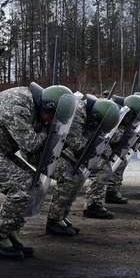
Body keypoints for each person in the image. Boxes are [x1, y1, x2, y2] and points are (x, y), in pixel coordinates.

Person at [0, 82, 74, 261]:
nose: (51, 121)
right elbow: (29, 144)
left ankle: (10, 234)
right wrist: (48, 131)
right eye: (52, 117)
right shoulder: (17, 103)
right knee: (22, 185)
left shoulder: (36, 105)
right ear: (47, 106)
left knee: (34, 184)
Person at [45, 96, 120, 235]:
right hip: (47, 147)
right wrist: (92, 151)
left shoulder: (92, 114)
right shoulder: (78, 113)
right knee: (70, 177)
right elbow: (76, 143)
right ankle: (54, 220)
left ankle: (61, 216)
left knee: (77, 177)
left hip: (59, 147)